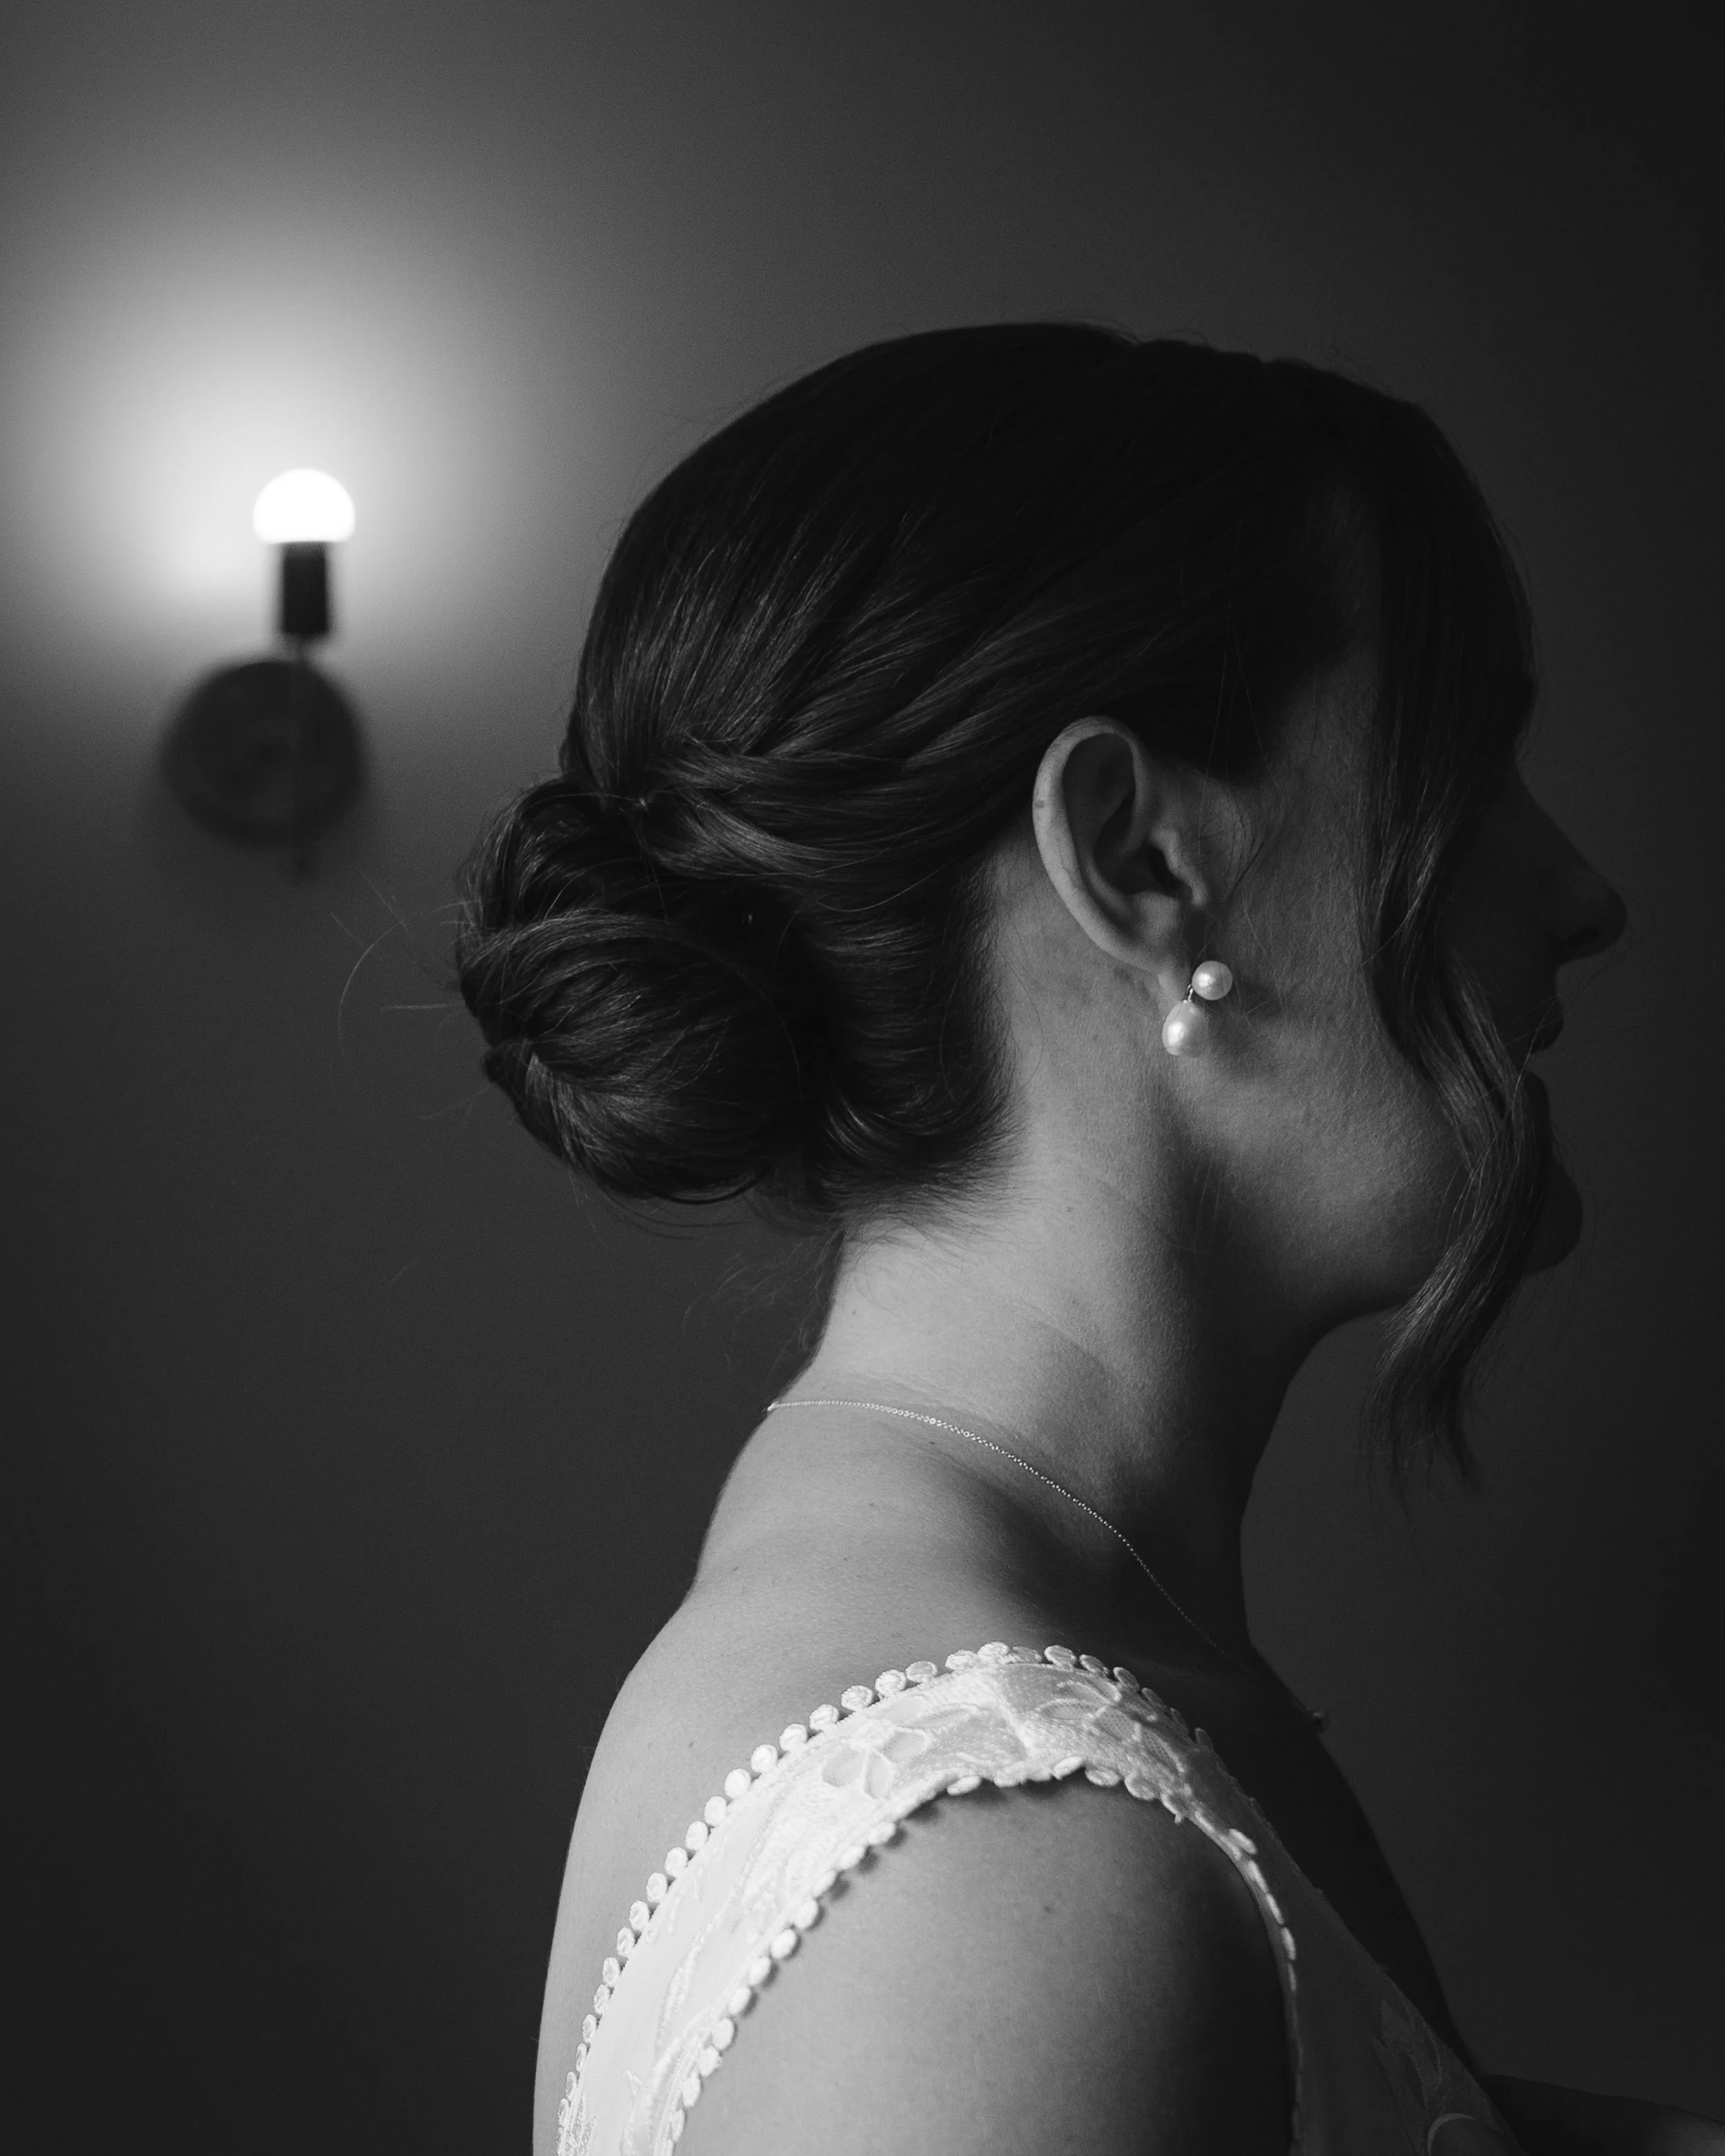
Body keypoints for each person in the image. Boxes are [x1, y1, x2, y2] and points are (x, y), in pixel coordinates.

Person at [456, 326, 1717, 2154]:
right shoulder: (1006, 1872)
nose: (1578, 892)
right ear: (1134, 862)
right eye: (1467, 754)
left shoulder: (1001, 1678)